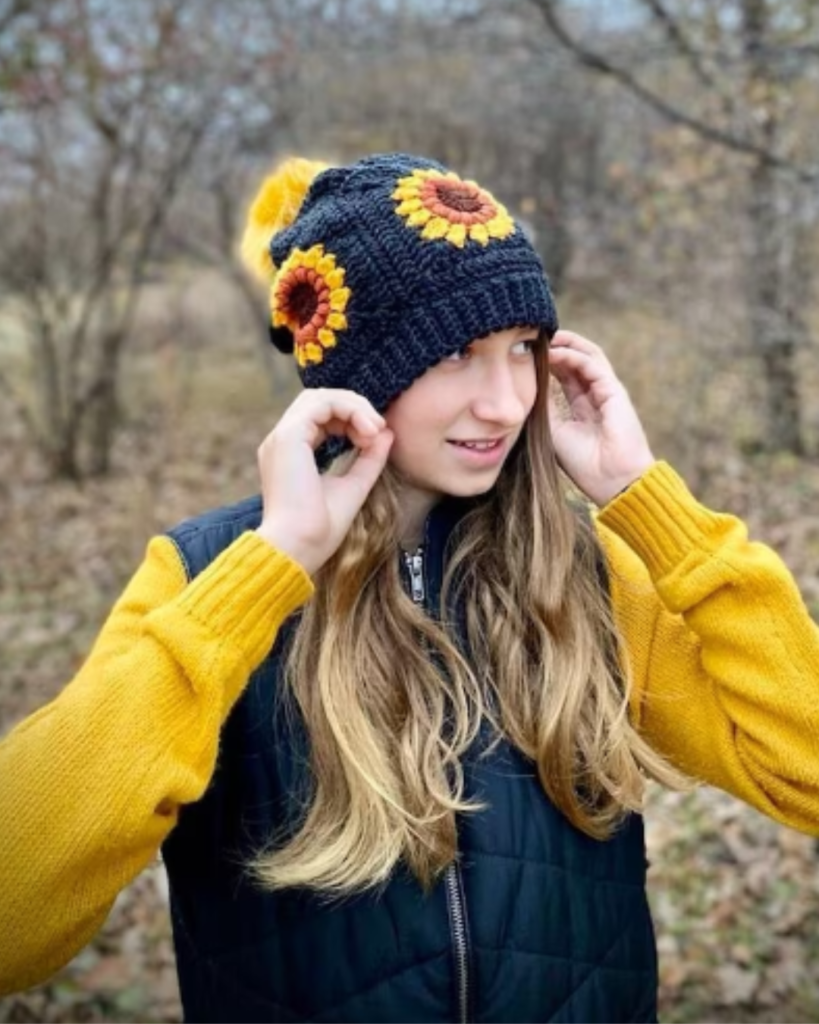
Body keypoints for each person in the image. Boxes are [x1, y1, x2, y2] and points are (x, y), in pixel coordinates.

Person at [1, 152, 818, 1024]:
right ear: (358, 374)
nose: (506, 402)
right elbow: (17, 922)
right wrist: (266, 572)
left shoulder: (584, 572)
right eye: (458, 353)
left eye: (521, 352)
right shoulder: (209, 580)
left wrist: (648, 503)